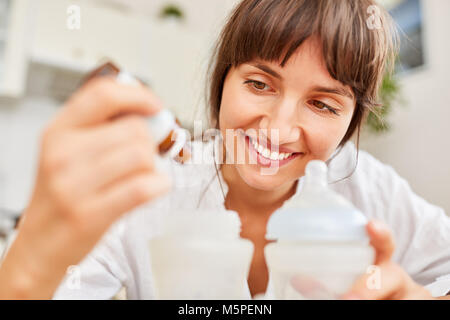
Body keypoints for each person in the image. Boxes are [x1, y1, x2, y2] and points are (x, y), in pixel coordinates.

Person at [1, 0, 450, 300]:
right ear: (223, 81)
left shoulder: (368, 188)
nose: (278, 129)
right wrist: (30, 263)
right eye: (258, 84)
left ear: (352, 121)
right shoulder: (146, 188)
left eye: (321, 103)